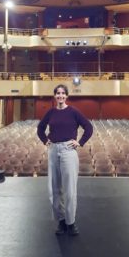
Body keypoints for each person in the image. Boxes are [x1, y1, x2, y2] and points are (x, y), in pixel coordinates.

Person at [37, 84, 93, 236]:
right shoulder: (51, 112)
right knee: (55, 189)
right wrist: (45, 140)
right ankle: (61, 221)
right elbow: (40, 128)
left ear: (66, 96)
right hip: (53, 150)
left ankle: (71, 222)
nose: (60, 96)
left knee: (69, 189)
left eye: (63, 93)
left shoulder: (73, 112)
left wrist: (79, 142)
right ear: (55, 96)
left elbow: (88, 128)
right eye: (58, 93)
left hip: (68, 151)